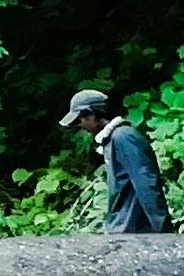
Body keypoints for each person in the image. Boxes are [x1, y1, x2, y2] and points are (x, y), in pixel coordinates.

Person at [62, 87, 170, 232]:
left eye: (79, 120)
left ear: (90, 115)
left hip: (135, 231)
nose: (80, 126)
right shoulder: (113, 138)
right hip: (124, 229)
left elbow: (146, 183)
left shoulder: (123, 137)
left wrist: (163, 231)